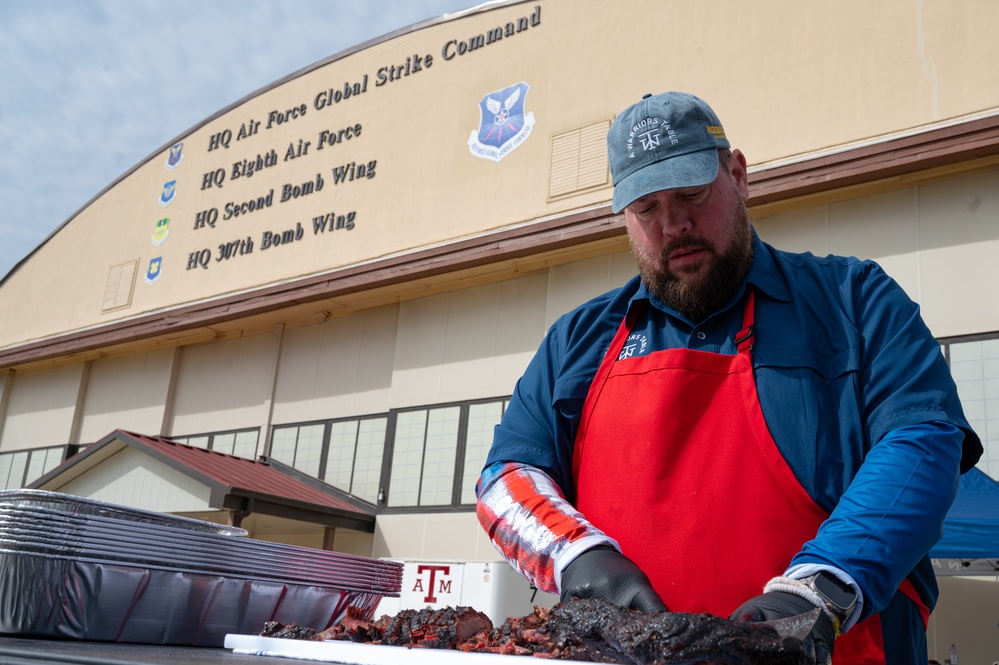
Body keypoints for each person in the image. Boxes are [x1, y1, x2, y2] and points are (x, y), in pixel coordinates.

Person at [475, 91, 982, 665]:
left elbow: (922, 443)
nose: (674, 224)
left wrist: (818, 590)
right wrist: (576, 556)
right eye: (647, 208)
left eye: (692, 193)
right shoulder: (579, 341)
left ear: (737, 175)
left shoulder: (855, 302)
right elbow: (505, 479)